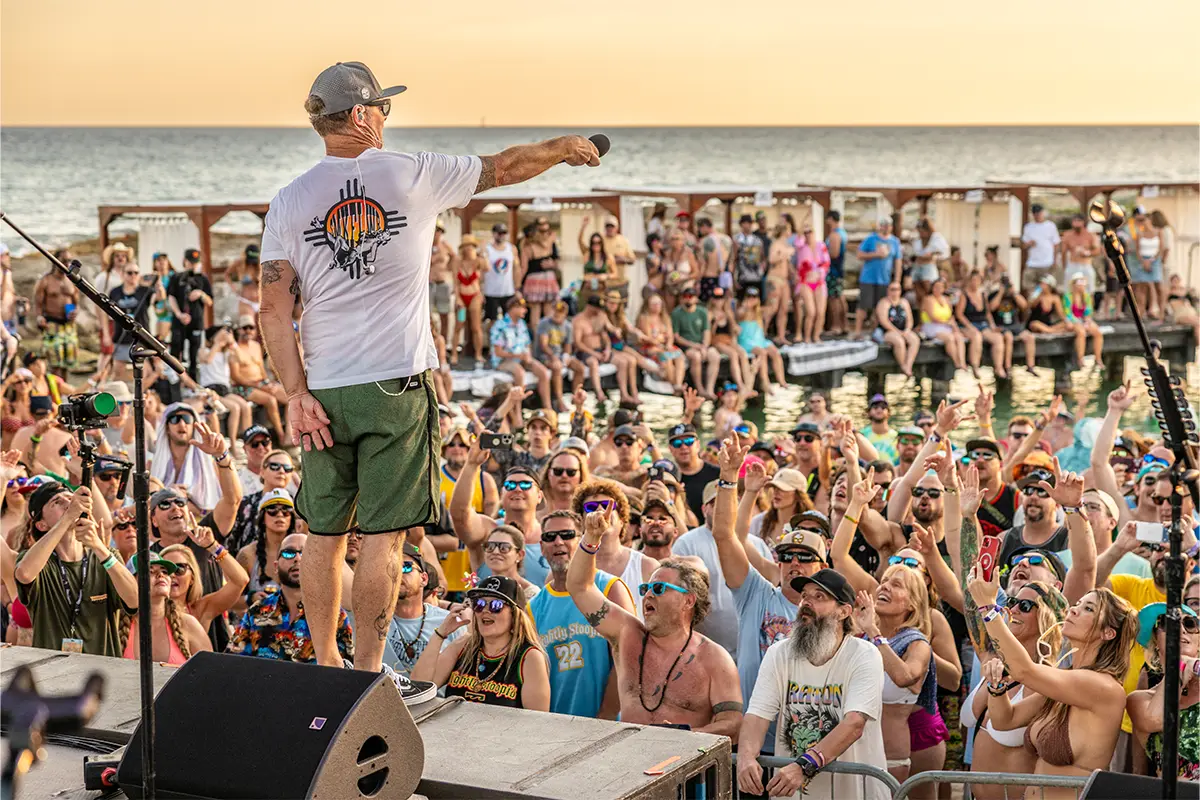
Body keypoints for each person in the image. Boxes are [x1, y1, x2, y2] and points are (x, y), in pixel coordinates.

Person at [257, 61, 599, 681]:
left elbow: (273, 310)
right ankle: (364, 669)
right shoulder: (411, 172)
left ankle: (327, 662)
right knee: (387, 536)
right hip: (394, 382)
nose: (386, 118)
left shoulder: (288, 199)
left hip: (324, 386)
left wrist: (294, 392)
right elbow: (506, 167)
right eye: (382, 108)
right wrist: (565, 148)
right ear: (361, 116)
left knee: (325, 533)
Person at [566, 502, 743, 735]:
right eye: (646, 588)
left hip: (683, 764)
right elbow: (579, 587)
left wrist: (684, 735)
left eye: (659, 588)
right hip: (628, 764)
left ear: (688, 601)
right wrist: (590, 538)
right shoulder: (627, 635)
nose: (648, 594)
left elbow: (733, 723)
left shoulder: (713, 658)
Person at [970, 568, 1138, 798]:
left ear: (1108, 633)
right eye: (1077, 603)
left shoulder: (1102, 687)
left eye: (1088, 608)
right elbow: (1004, 721)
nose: (1074, 610)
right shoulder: (1068, 678)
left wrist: (987, 608)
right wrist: (997, 688)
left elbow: (1023, 670)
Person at [738, 567, 888, 799]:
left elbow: (854, 723)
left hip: (853, 792)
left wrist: (803, 766)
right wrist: (746, 757)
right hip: (791, 793)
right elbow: (757, 714)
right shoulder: (779, 653)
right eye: (805, 596)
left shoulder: (864, 654)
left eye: (819, 597)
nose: (806, 602)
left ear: (843, 611)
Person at [960, 579, 1067, 797]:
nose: (1013, 609)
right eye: (1012, 601)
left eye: (1025, 606)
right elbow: (968, 719)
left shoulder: (1049, 680)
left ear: (1046, 617)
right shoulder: (997, 665)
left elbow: (1006, 725)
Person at [530, 510, 636, 718]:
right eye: (550, 537)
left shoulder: (610, 588)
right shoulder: (533, 607)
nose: (558, 542)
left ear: (581, 540)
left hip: (608, 723)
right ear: (541, 547)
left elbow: (628, 657)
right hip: (554, 725)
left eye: (568, 535)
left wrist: (606, 715)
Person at [412, 574, 550, 710]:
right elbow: (419, 689)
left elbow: (537, 722)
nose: (485, 610)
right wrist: (440, 634)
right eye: (479, 604)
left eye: (496, 605)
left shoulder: (529, 657)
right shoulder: (463, 645)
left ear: (515, 615)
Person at [228, 532, 355, 663]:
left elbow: (347, 671)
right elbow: (233, 662)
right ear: (276, 566)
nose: (297, 558)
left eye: (305, 553)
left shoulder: (333, 615)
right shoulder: (257, 611)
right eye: (289, 553)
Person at [1126, 602, 1200, 780]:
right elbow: (1157, 719)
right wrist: (1178, 670)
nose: (1181, 629)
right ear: (1155, 641)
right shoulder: (1140, 700)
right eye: (1170, 623)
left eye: (1189, 624)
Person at [571, 479, 659, 616]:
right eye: (591, 507)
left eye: (607, 505)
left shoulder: (647, 567)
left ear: (622, 520)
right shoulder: (570, 570)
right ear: (581, 521)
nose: (600, 511)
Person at [380, 542, 463, 678]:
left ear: (424, 579)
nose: (397, 574)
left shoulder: (449, 622)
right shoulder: (373, 618)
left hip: (436, 698)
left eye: (405, 567)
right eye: (391, 568)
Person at [118, 553, 211, 664]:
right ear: (130, 582)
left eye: (165, 572)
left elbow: (212, 671)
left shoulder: (188, 623)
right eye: (150, 571)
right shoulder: (117, 624)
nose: (160, 575)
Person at [160, 535, 250, 643]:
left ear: (192, 578)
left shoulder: (201, 609)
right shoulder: (146, 610)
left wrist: (213, 546)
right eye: (166, 570)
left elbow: (240, 580)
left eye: (180, 568)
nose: (172, 575)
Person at [230, 317, 289, 442]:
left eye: (251, 328)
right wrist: (257, 385)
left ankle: (290, 434)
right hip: (243, 387)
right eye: (245, 328)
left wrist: (268, 383)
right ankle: (281, 436)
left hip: (260, 383)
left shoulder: (256, 346)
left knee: (289, 397)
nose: (248, 331)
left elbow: (261, 369)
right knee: (271, 400)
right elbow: (236, 377)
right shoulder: (234, 349)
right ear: (238, 330)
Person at [490, 295, 553, 410]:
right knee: (520, 373)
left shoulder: (522, 324)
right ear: (513, 308)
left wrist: (527, 355)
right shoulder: (500, 326)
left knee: (543, 372)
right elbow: (498, 352)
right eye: (523, 308)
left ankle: (547, 407)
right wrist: (517, 356)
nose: (525, 310)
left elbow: (527, 344)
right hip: (504, 360)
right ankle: (517, 409)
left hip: (521, 358)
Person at [166, 248, 213, 380]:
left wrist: (201, 294)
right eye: (190, 262)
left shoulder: (202, 279)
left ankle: (192, 381)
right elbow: (171, 297)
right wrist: (179, 314)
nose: (192, 265)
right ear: (184, 261)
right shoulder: (176, 277)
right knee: (176, 350)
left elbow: (210, 301)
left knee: (194, 354)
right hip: (180, 320)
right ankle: (175, 380)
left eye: (195, 263)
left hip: (196, 321)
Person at [956, 270, 1010, 379]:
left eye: (977, 280)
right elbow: (959, 314)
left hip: (983, 324)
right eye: (973, 280)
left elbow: (988, 313)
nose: (975, 282)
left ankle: (999, 367)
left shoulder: (982, 294)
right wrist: (969, 326)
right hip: (968, 324)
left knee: (998, 338)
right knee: (977, 337)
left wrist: (993, 326)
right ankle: (975, 367)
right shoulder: (964, 295)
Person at [853, 216, 901, 339]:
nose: (885, 227)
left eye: (888, 225)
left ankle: (875, 332)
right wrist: (876, 254)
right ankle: (857, 332)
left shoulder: (895, 241)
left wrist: (897, 280)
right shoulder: (871, 239)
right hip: (868, 278)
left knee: (879, 307)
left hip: (884, 280)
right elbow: (859, 254)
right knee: (864, 305)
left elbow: (898, 261)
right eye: (883, 225)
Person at [671, 286, 721, 400]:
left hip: (702, 345)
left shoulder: (702, 312)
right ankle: (700, 389)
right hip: (686, 346)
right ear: (682, 298)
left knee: (715, 355)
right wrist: (696, 346)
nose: (688, 299)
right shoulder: (676, 313)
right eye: (686, 297)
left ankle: (710, 389)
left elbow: (706, 332)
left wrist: (704, 346)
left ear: (696, 298)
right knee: (696, 356)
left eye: (691, 296)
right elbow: (677, 337)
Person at [33, 260, 81, 377]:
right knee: (55, 363)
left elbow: (77, 303)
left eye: (68, 261)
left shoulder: (72, 280)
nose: (66, 263)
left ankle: (64, 392)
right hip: (52, 324)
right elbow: (38, 303)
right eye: (63, 260)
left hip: (69, 326)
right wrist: (39, 317)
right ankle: (56, 394)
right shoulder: (45, 280)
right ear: (55, 261)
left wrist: (76, 311)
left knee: (68, 362)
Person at [666, 423, 720, 522]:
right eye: (677, 443)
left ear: (698, 445)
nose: (683, 446)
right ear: (670, 449)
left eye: (689, 441)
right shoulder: (669, 478)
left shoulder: (717, 473)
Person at [521, 217, 562, 330]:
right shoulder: (549, 244)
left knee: (535, 312)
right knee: (548, 312)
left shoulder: (527, 247)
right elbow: (557, 262)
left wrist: (518, 284)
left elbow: (523, 268)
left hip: (534, 281)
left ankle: (537, 341)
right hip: (548, 280)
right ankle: (547, 339)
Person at [450, 235, 486, 365]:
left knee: (476, 327)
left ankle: (478, 354)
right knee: (458, 325)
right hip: (462, 296)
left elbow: (487, 268)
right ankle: (454, 354)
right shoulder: (457, 261)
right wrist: (458, 298)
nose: (469, 248)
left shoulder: (478, 261)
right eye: (467, 246)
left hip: (474, 295)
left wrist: (481, 253)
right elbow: (455, 282)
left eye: (471, 246)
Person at [920, 277, 968, 372]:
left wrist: (955, 328)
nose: (937, 289)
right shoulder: (928, 299)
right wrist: (947, 323)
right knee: (949, 338)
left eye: (940, 287)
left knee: (958, 337)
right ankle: (956, 362)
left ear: (944, 288)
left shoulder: (946, 299)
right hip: (932, 326)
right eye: (935, 287)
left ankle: (962, 362)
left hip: (946, 326)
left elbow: (951, 316)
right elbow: (932, 317)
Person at [874, 281, 921, 376]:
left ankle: (908, 365)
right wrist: (898, 332)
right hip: (887, 331)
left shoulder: (904, 302)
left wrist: (907, 330)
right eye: (892, 289)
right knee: (899, 341)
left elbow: (909, 319)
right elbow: (884, 321)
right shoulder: (884, 303)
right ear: (888, 290)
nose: (895, 292)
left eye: (897, 289)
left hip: (903, 330)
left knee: (915, 340)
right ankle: (902, 365)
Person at [1062, 275, 1104, 369]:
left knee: (1097, 332)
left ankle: (1098, 358)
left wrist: (1087, 320)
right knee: (1081, 332)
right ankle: (1080, 358)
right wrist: (1077, 322)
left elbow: (1088, 312)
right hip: (1073, 320)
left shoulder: (1086, 296)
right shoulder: (1068, 296)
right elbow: (1067, 313)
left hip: (1083, 319)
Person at [1021, 204, 1061, 293]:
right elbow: (1023, 245)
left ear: (1043, 213)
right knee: (1030, 288)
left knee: (1047, 288)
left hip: (1047, 263)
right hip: (1032, 263)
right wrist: (1029, 243)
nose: (1037, 215)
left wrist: (1055, 261)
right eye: (1035, 213)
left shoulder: (1050, 226)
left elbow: (1056, 244)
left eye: (1039, 213)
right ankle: (1032, 304)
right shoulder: (1028, 227)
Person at [1060, 214, 1100, 295]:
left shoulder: (1090, 235)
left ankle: (1088, 306)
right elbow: (1063, 252)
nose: (1076, 223)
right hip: (1072, 264)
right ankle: (1069, 307)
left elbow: (1097, 250)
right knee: (1068, 289)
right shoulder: (1067, 235)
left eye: (1079, 221)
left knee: (1089, 290)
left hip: (1086, 265)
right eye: (1075, 221)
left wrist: (1087, 253)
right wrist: (1065, 267)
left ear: (1083, 222)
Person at [824, 210, 848, 336]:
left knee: (834, 299)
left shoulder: (835, 235)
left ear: (830, 219)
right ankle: (844, 325)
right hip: (840, 270)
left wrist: (822, 253)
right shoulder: (842, 233)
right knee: (840, 297)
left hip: (834, 270)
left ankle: (836, 326)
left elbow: (834, 253)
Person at [732, 214, 766, 298]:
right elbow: (733, 259)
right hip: (742, 277)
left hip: (756, 277)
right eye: (745, 223)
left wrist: (762, 269)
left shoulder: (757, 240)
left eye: (749, 223)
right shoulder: (736, 239)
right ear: (741, 224)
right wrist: (733, 279)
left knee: (755, 301)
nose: (747, 225)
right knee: (741, 300)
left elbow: (762, 257)